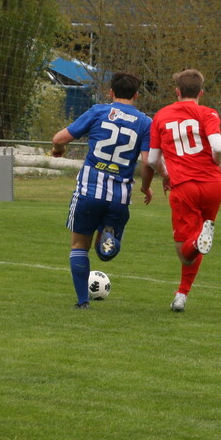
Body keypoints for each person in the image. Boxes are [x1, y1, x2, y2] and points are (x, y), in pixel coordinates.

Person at [51, 72, 153, 309]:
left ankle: (82, 302)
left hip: (89, 190)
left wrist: (58, 149)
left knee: (79, 247)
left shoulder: (98, 111)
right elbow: (148, 162)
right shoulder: (145, 122)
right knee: (105, 253)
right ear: (136, 95)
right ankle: (108, 235)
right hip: (120, 196)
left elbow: (59, 138)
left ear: (111, 92)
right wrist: (146, 187)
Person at [141, 68, 221, 312]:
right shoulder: (208, 113)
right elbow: (218, 148)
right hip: (213, 185)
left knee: (185, 253)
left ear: (177, 91)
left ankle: (197, 244)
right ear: (201, 92)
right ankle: (181, 295)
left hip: (185, 187)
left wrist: (166, 175)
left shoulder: (161, 116)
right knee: (198, 238)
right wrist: (217, 162)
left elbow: (152, 160)